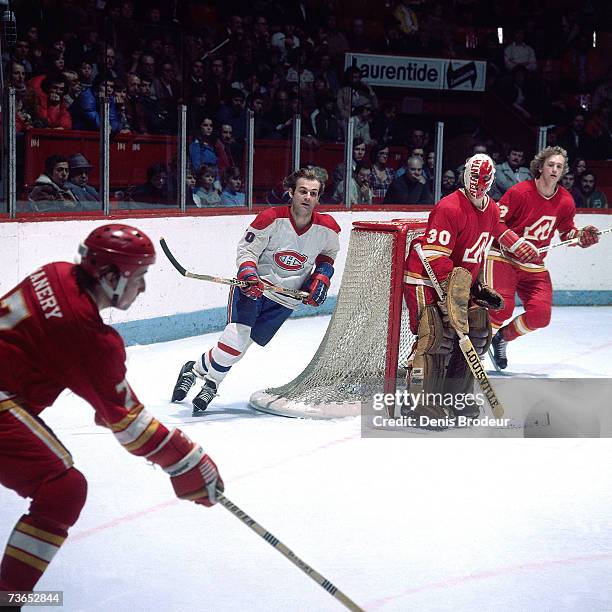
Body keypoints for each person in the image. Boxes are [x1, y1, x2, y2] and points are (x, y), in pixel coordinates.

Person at [0, 224, 222, 596]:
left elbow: (57, 357)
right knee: (64, 489)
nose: (144, 288)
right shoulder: (89, 336)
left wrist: (106, 399)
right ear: (109, 275)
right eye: (140, 276)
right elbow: (129, 424)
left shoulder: (53, 272)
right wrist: (187, 461)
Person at [171, 167, 340, 415]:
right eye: (302, 191)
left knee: (239, 350)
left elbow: (328, 255)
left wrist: (322, 277)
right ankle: (212, 384)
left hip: (285, 300)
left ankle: (194, 369)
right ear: (291, 192)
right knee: (235, 340)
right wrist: (249, 275)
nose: (307, 198)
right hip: (254, 290)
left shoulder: (327, 228)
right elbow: (246, 251)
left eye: (313, 193)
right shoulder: (270, 218)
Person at [402, 154, 539, 426]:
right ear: (465, 175)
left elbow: (473, 255)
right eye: (473, 177)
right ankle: (416, 402)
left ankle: (454, 397)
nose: (478, 183)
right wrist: (453, 296)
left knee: (478, 329)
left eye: (484, 178)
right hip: (424, 278)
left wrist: (475, 288)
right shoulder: (449, 207)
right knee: (435, 335)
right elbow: (437, 258)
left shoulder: (490, 210)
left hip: (458, 282)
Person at [487, 146, 600, 370]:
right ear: (540, 167)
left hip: (533, 265)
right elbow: (494, 222)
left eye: (559, 166)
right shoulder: (520, 192)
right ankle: (475, 350)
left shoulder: (566, 201)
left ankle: (502, 338)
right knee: (502, 308)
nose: (555, 169)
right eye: (551, 164)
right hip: (503, 257)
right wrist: (516, 243)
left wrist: (581, 237)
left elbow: (567, 233)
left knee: (541, 316)